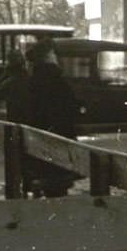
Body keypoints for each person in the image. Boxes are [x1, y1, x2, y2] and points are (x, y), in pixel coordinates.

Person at [25, 41, 80, 197]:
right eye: (53, 54)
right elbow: (69, 105)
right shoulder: (55, 80)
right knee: (57, 184)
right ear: (48, 57)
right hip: (58, 136)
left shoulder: (33, 80)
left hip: (40, 138)